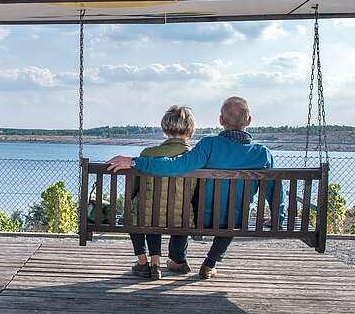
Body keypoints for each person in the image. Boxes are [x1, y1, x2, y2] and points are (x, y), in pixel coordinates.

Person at [107, 96, 285, 279]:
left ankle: (176, 260)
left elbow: (175, 165)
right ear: (249, 121)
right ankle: (209, 264)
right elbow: (276, 192)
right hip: (235, 221)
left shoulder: (209, 145)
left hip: (202, 218)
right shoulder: (263, 154)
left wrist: (134, 162)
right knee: (234, 215)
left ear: (221, 120)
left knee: (188, 202)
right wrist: (277, 219)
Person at [130, 105, 196, 280]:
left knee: (142, 209)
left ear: (165, 128)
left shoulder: (148, 154)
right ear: (190, 129)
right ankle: (178, 259)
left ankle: (145, 262)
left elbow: (134, 189)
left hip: (148, 216)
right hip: (180, 218)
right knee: (181, 211)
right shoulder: (195, 157)